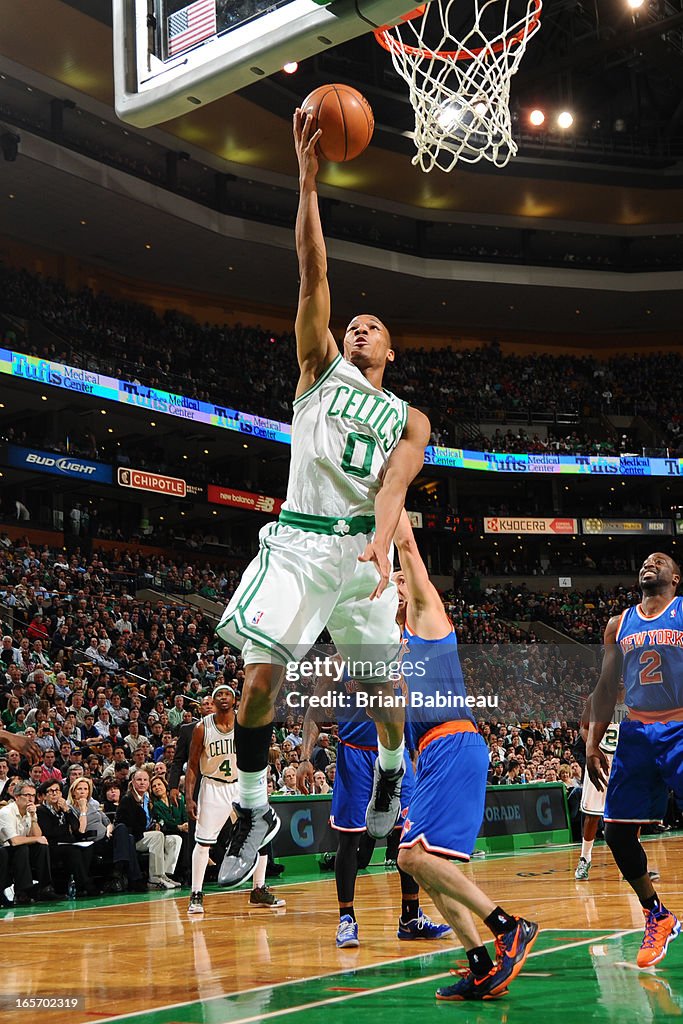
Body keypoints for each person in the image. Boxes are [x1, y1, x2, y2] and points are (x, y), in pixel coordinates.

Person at [215, 109, 431, 888]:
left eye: (375, 327)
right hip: (301, 541)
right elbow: (312, 269)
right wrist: (307, 183)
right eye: (356, 324)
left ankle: (393, 773)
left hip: (362, 552)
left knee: (385, 694)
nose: (361, 329)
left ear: (391, 349)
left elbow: (396, 480)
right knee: (259, 677)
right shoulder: (317, 366)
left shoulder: (409, 415)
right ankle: (253, 808)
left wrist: (381, 543)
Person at [390, 512, 538, 1001]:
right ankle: (478, 966)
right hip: (429, 757)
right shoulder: (394, 652)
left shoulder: (428, 619)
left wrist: (387, 494)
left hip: (454, 742)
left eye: (396, 582)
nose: (392, 585)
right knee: (420, 864)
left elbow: (408, 551)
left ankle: (508, 926)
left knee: (410, 856)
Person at [298, 653, 451, 949]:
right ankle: (346, 919)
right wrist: (305, 757)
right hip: (355, 754)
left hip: (396, 755)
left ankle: (410, 917)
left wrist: (420, 755)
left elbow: (409, 709)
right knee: (349, 842)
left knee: (407, 840)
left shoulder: (403, 659)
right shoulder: (336, 663)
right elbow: (315, 712)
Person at [586, 552, 683, 968]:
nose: (649, 563)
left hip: (680, 725)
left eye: (659, 561)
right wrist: (592, 742)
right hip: (638, 732)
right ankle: (656, 913)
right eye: (644, 560)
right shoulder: (618, 624)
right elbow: (607, 687)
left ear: (675, 577)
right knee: (617, 832)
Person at [185, 684, 284, 915]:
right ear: (212, 700)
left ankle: (258, 889)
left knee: (260, 836)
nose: (222, 697)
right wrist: (189, 797)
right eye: (218, 694)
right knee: (204, 842)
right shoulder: (202, 728)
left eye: (226, 694)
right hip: (213, 785)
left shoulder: (244, 722)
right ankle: (196, 894)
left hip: (242, 785)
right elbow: (191, 765)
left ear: (235, 699)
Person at [575, 683, 629, 881]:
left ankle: (632, 862)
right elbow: (583, 727)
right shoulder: (595, 698)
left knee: (630, 815)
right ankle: (585, 858)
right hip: (601, 756)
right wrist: (592, 748)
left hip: (626, 760)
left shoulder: (637, 699)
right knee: (592, 814)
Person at [116, 769, 182, 890]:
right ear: (133, 782)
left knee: (174, 839)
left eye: (145, 780)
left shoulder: (148, 800)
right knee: (157, 836)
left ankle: (164, 874)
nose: (142, 783)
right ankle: (155, 879)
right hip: (134, 839)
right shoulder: (128, 799)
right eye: (139, 780)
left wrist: (155, 824)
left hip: (147, 836)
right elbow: (124, 824)